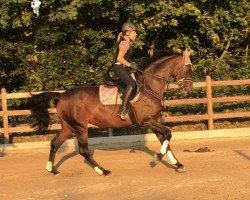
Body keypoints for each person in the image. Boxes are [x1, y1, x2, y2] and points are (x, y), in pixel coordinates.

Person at [112, 22, 138, 120]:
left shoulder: (126, 42)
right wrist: (130, 65)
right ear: (127, 32)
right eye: (134, 32)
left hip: (122, 67)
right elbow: (119, 58)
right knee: (132, 84)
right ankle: (123, 110)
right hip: (119, 67)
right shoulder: (125, 43)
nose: (136, 34)